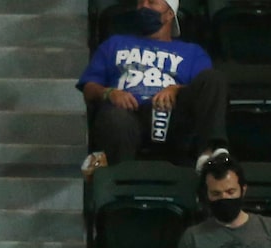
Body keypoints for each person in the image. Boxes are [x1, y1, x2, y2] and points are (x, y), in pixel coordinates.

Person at [78, 0, 229, 170]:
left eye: (152, 2)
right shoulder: (113, 44)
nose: (143, 6)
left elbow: (204, 89)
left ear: (170, 14)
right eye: (141, 2)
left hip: (174, 115)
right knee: (116, 119)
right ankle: (122, 179)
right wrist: (110, 93)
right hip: (128, 113)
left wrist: (175, 89)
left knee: (214, 78)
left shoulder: (193, 52)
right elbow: (89, 88)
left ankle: (211, 152)